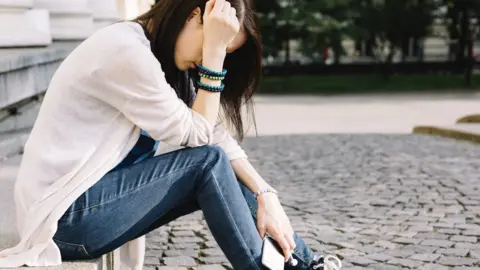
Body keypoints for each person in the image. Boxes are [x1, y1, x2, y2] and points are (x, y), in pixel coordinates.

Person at [0, 0, 342, 269]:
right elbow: (197, 139)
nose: (213, 57)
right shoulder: (125, 50)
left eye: (224, 51)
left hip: (85, 207)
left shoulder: (157, 59)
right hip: (64, 219)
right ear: (193, 16)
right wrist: (213, 61)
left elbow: (215, 136)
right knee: (207, 163)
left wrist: (267, 195)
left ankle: (303, 264)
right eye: (215, 43)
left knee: (222, 168)